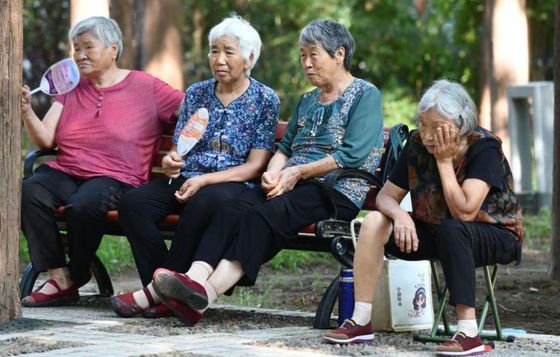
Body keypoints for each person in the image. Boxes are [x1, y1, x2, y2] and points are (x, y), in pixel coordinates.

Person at [150, 19, 385, 327]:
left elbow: (350, 154)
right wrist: (273, 174)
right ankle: (195, 279)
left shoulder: (365, 95)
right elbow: (284, 149)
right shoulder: (307, 100)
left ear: (339, 54)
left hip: (335, 188)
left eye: (313, 55)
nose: (306, 63)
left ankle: (203, 296)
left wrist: (296, 173)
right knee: (234, 206)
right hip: (292, 183)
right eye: (302, 55)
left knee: (264, 216)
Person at [323, 80, 523, 356]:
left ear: (460, 122)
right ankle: (361, 320)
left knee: (453, 230)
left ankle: (469, 333)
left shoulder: (484, 148)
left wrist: (443, 162)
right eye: (423, 124)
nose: (428, 135)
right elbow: (384, 197)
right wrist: (399, 216)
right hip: (434, 230)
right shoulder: (416, 143)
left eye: (436, 126)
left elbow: (465, 212)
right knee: (374, 221)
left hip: (494, 233)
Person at [111, 16, 279, 320]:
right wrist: (170, 160)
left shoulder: (265, 99)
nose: (219, 59)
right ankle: (168, 289)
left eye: (229, 51)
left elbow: (255, 166)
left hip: (232, 183)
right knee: (134, 204)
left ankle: (155, 294)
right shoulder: (197, 93)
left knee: (204, 200)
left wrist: (205, 181)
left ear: (249, 58)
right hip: (188, 177)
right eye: (214, 51)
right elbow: (179, 148)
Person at [20, 16, 184, 307]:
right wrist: (27, 111)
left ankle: (77, 273)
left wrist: (182, 148)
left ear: (112, 48)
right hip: (69, 170)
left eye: (88, 47)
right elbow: (46, 140)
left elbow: (194, 109)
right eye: (76, 48)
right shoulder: (70, 88)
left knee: (85, 204)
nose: (79, 55)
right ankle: (59, 275)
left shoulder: (147, 87)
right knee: (30, 190)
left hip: (118, 179)